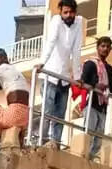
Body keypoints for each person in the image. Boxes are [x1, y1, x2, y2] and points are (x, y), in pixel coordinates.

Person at [36, 0, 84, 149]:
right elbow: (50, 42)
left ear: (75, 12)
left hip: (63, 77)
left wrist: (77, 77)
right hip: (50, 73)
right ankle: (41, 142)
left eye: (71, 12)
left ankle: (55, 144)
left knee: (60, 114)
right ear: (61, 13)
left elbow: (76, 51)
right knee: (47, 111)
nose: (68, 15)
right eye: (65, 12)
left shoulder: (78, 23)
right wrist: (42, 63)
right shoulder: (56, 21)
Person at [78, 37, 112, 160]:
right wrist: (94, 86)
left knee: (99, 138)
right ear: (97, 47)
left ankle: (90, 159)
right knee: (88, 133)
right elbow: (82, 82)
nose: (105, 49)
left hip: (103, 106)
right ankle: (83, 157)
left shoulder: (108, 68)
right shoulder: (90, 64)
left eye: (108, 47)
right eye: (103, 46)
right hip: (92, 104)